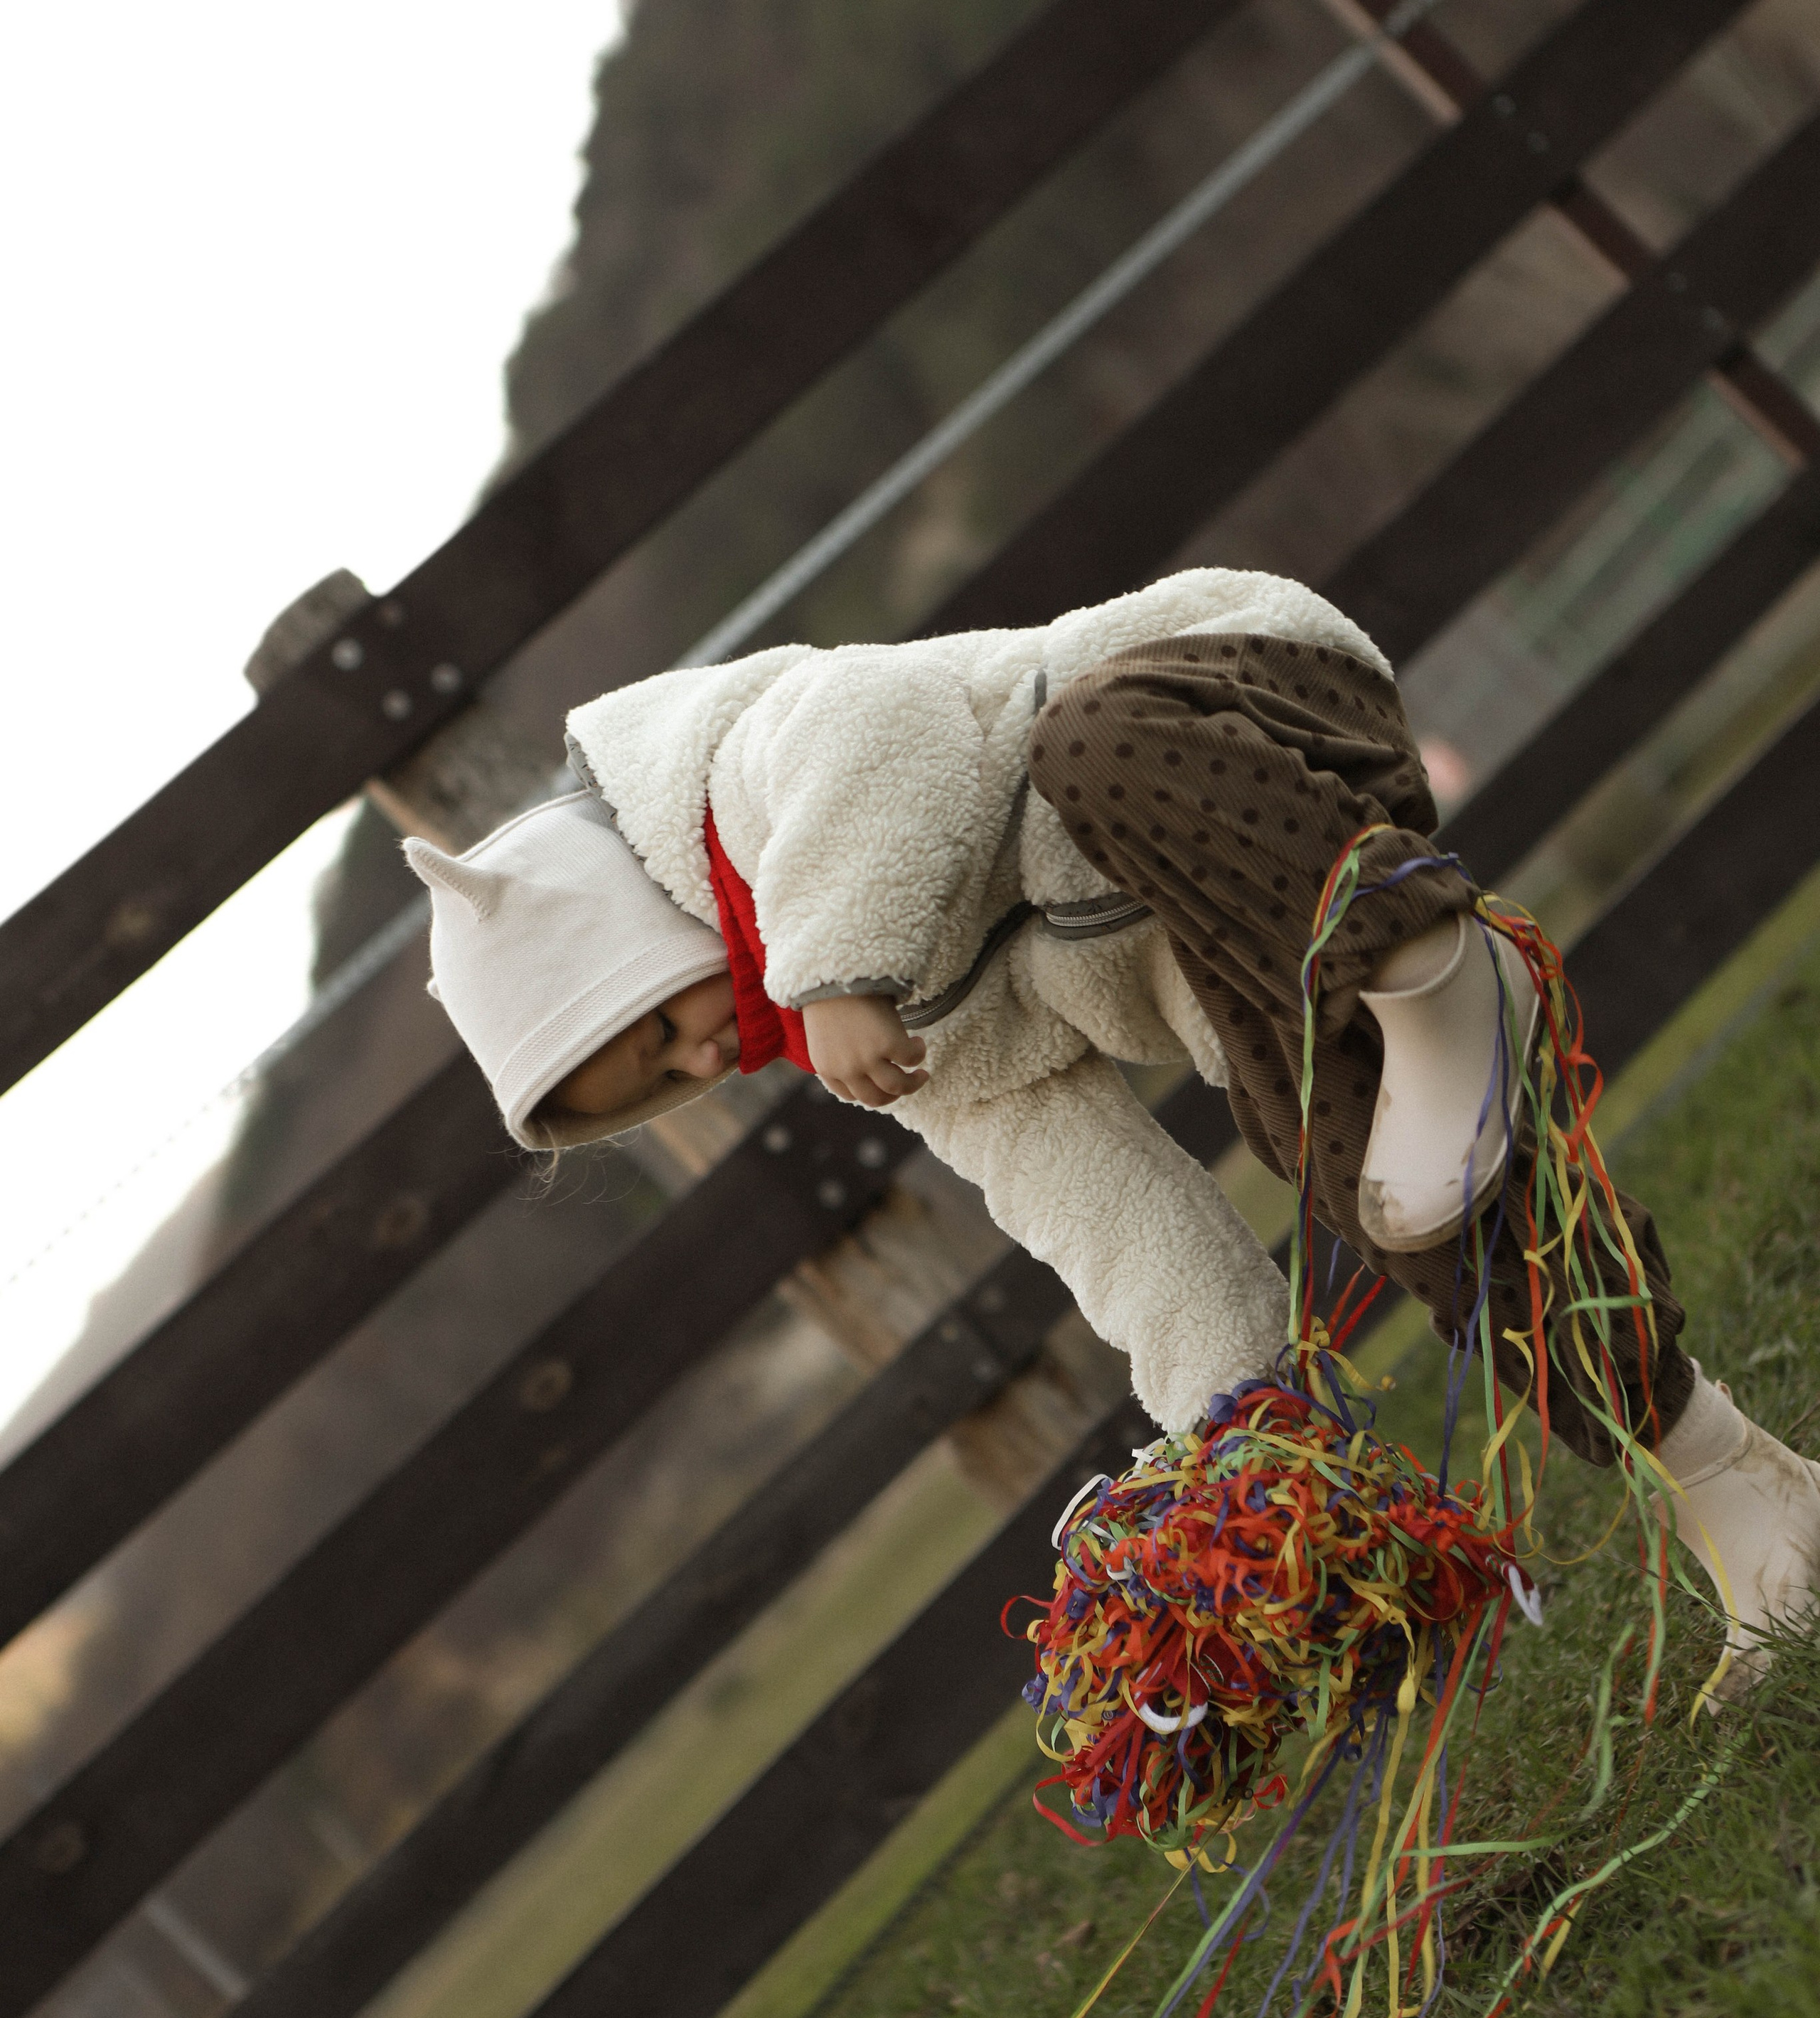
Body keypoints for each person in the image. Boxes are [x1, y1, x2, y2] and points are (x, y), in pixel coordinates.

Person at [406, 567, 1819, 1683]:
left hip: (1248, 710)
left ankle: (1425, 956)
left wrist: (834, 962)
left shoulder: (742, 772)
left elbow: (881, 726)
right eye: (663, 1080)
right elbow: (1101, 1213)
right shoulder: (905, 1045)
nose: (699, 1052)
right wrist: (1234, 1422)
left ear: (629, 927)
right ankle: (1725, 1477)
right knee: (1386, 1190)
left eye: (654, 1022)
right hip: (1237, 945)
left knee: (1092, 739)